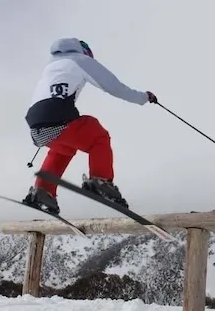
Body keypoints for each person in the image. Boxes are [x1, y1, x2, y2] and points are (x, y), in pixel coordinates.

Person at [22, 37, 157, 214]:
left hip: (36, 125)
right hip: (56, 116)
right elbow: (113, 86)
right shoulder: (80, 60)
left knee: (64, 148)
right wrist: (143, 97)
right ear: (84, 51)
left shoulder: (51, 66)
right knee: (97, 135)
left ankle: (43, 191)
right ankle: (101, 181)